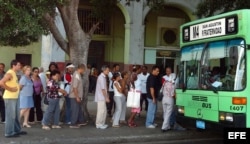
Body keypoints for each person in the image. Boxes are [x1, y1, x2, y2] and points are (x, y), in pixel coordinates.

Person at [0, 60, 27, 138]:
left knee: (15, 115)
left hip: (15, 96)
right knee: (10, 116)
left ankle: (16, 130)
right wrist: (10, 89)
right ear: (13, 66)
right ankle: (9, 133)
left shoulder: (14, 73)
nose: (20, 66)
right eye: (18, 65)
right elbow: (1, 82)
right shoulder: (9, 73)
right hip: (10, 97)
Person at [69, 64, 87, 128]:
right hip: (74, 96)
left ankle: (81, 121)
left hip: (77, 96)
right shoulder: (76, 75)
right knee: (75, 110)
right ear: (81, 68)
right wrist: (77, 96)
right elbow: (75, 87)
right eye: (84, 69)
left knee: (78, 109)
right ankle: (73, 123)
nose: (84, 71)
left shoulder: (78, 75)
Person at [161, 67, 176, 132]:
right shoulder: (172, 83)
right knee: (168, 114)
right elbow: (173, 93)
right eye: (167, 71)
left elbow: (161, 90)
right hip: (170, 99)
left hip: (164, 99)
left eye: (169, 71)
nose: (168, 72)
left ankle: (168, 126)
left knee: (165, 113)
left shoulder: (164, 82)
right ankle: (164, 127)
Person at [95, 65, 110, 129]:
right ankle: (98, 124)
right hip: (101, 97)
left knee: (104, 111)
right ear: (103, 70)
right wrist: (106, 97)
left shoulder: (103, 77)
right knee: (101, 111)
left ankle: (102, 123)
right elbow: (103, 89)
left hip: (102, 96)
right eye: (107, 70)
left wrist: (107, 96)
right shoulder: (101, 77)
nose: (108, 71)